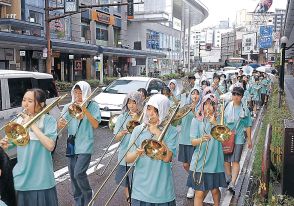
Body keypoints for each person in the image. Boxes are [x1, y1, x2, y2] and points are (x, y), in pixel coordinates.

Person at [0, 88, 58, 206]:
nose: (25, 104)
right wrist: (5, 144)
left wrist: (31, 124)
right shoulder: (19, 121)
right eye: (24, 100)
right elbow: (12, 143)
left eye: (30, 101)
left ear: (41, 104)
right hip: (22, 178)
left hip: (42, 179)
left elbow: (50, 146)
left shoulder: (49, 120)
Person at [125, 94, 178, 206]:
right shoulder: (138, 129)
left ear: (164, 111)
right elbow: (128, 159)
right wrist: (136, 153)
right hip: (140, 191)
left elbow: (167, 158)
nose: (151, 113)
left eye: (156, 110)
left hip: (162, 193)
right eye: (149, 109)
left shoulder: (171, 131)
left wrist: (158, 133)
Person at [58, 81, 101, 206]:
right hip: (71, 145)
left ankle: (88, 195)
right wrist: (60, 123)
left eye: (80, 93)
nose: (78, 96)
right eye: (75, 93)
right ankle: (78, 201)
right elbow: (61, 125)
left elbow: (96, 124)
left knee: (78, 173)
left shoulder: (93, 106)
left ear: (86, 92)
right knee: (72, 175)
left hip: (85, 145)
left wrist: (85, 110)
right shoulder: (68, 107)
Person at [187, 93, 227, 206]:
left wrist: (215, 124)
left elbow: (224, 139)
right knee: (199, 193)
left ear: (215, 106)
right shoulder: (196, 120)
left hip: (215, 162)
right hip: (199, 162)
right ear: (202, 105)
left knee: (215, 190)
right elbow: (193, 141)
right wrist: (201, 139)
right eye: (206, 104)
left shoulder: (220, 120)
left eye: (211, 104)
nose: (208, 107)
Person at [113, 91, 143, 204]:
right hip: (124, 154)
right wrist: (121, 133)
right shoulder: (122, 117)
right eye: (129, 102)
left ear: (139, 103)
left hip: (138, 155)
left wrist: (138, 120)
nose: (131, 105)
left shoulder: (144, 117)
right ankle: (129, 201)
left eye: (134, 102)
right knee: (126, 183)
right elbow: (116, 137)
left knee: (136, 183)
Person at [224, 87, 252, 193]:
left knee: (235, 161)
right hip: (226, 137)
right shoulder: (226, 106)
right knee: (226, 160)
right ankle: (229, 177)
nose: (236, 96)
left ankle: (233, 183)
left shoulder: (245, 109)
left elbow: (248, 125)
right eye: (234, 94)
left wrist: (249, 140)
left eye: (238, 94)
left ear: (241, 96)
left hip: (239, 138)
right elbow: (222, 121)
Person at [178, 87, 201, 199]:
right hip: (183, 139)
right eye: (193, 93)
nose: (194, 96)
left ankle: (191, 186)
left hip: (194, 139)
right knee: (185, 165)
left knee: (193, 165)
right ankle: (194, 180)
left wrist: (193, 110)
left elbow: (200, 119)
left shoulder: (201, 107)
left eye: (197, 94)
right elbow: (177, 119)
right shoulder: (185, 105)